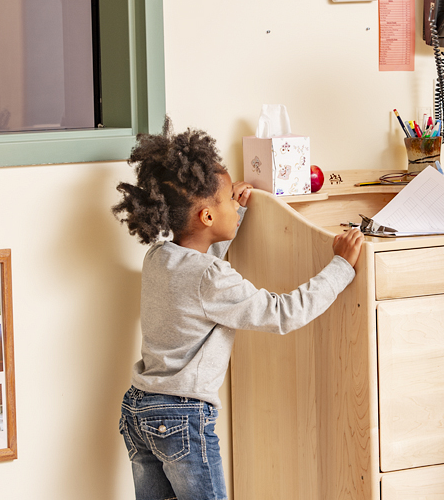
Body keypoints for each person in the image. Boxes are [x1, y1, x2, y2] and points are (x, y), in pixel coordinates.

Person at [112, 118, 363, 500]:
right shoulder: (211, 277)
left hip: (139, 409)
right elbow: (282, 313)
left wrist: (237, 211)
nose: (235, 201)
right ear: (207, 218)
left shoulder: (159, 257)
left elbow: (197, 274)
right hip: (183, 415)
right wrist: (341, 267)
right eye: (230, 199)